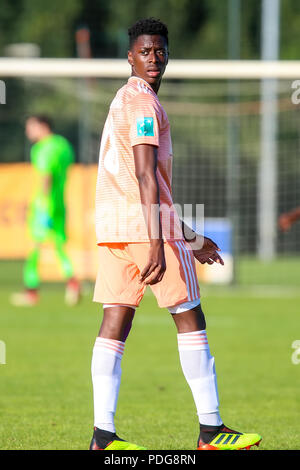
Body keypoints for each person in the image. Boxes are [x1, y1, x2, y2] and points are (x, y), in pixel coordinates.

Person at [89, 18, 262, 451]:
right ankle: (211, 431)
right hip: (146, 229)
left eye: (160, 50)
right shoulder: (144, 104)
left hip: (113, 226)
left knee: (115, 322)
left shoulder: (120, 100)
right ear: (130, 57)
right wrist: (158, 243)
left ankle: (102, 437)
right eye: (145, 51)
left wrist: (189, 236)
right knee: (190, 318)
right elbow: (146, 175)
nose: (154, 58)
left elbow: (139, 179)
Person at [11, 115, 80, 307]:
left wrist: (42, 206)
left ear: (43, 127)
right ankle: (73, 283)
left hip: (44, 204)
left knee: (34, 248)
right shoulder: (63, 145)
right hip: (59, 203)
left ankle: (31, 292)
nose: (28, 132)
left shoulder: (43, 148)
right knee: (59, 247)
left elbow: (46, 176)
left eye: (31, 127)